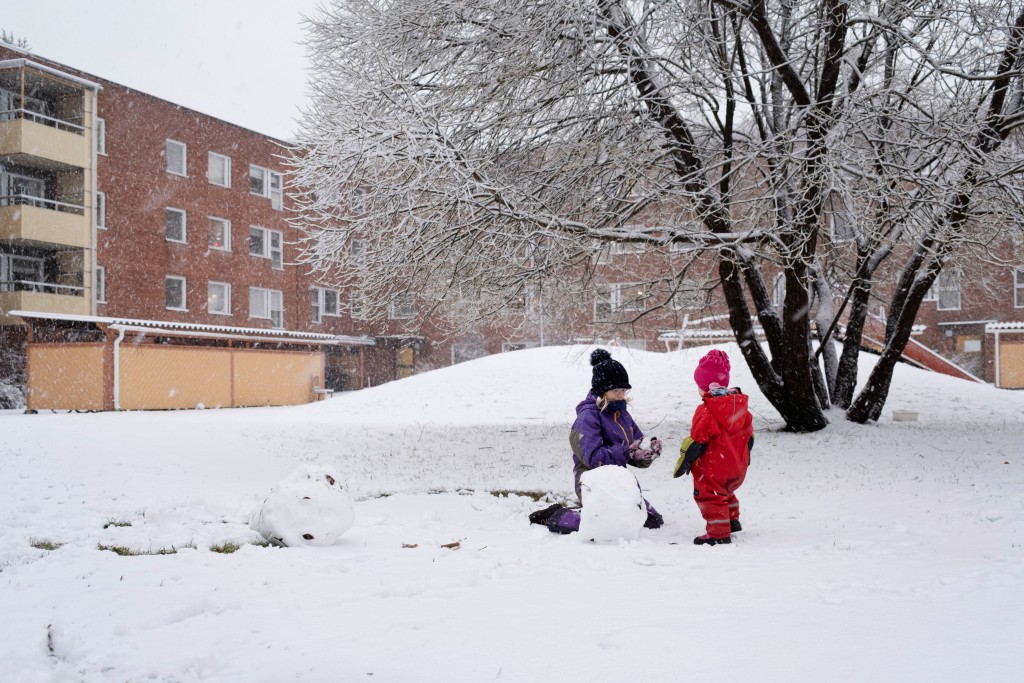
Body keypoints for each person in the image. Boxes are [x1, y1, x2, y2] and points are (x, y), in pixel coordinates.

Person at [530, 348, 664, 533]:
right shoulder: (587, 417)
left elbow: (635, 448)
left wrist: (647, 452)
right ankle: (557, 516)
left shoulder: (621, 414)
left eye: (623, 390)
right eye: (616, 390)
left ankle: (605, 512)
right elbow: (593, 458)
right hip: (592, 480)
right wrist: (627, 451)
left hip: (620, 480)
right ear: (602, 391)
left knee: (652, 521)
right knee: (608, 527)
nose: (621, 395)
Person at [674, 349, 754, 546]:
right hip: (736, 465)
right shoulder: (740, 408)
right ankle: (732, 520)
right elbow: (749, 436)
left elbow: (696, 440)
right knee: (726, 491)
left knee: (710, 495)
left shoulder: (707, 411)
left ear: (705, 386)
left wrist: (684, 461)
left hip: (713, 468)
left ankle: (718, 532)